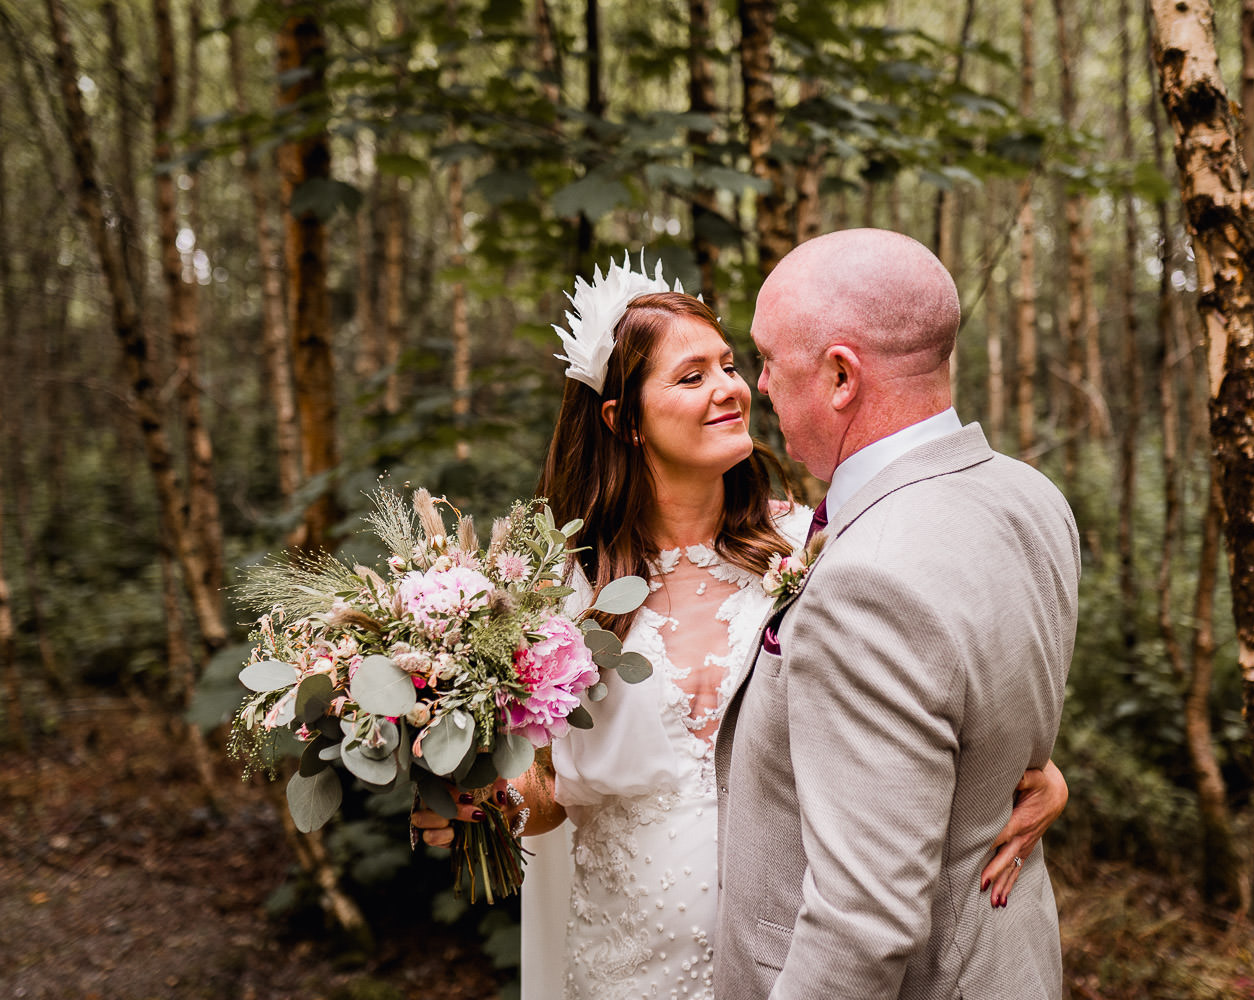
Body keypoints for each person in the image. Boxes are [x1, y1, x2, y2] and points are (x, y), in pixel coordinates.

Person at [412, 254, 1069, 999]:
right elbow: (549, 792)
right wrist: (481, 803)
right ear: (622, 419)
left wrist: (1026, 780)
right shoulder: (552, 593)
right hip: (628, 962)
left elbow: (926, 705)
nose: (731, 389)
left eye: (731, 363)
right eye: (692, 376)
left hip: (794, 963)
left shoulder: (821, 549)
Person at [713, 229, 1079, 1000]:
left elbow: (863, 923)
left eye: (769, 360)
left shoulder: (867, 582)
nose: (761, 387)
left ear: (842, 376)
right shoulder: (1030, 495)